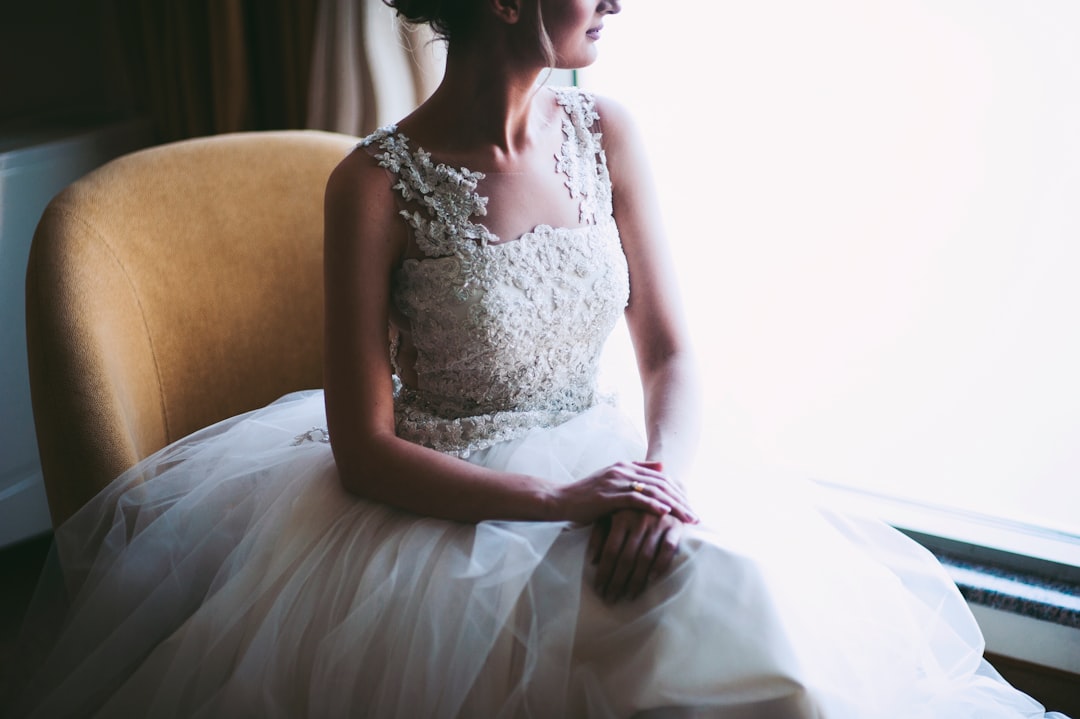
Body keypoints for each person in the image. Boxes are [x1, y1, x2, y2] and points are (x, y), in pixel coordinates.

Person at [7, 0, 1072, 717]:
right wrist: (562, 499)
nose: (619, 1)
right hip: (449, 506)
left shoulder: (606, 131)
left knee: (738, 595)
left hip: (612, 467)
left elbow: (670, 351)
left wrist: (662, 482)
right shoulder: (375, 185)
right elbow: (363, 449)